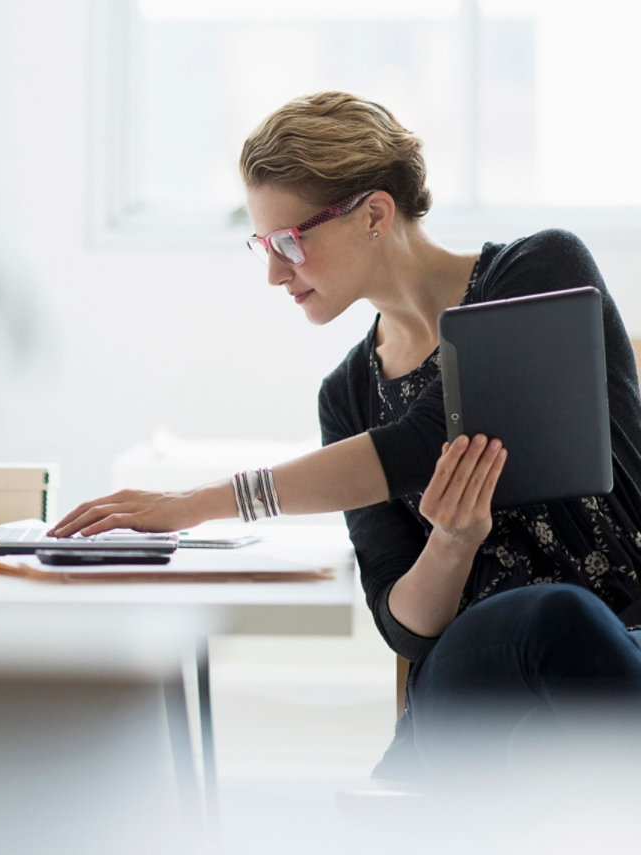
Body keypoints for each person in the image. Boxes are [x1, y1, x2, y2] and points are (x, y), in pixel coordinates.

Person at [48, 91, 641, 781]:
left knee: (577, 626)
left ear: (374, 214)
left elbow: (426, 437)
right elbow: (403, 624)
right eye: (262, 245)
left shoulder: (540, 273)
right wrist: (450, 543)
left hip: (628, 633)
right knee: (555, 615)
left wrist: (198, 501)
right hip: (474, 673)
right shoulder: (348, 395)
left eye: (288, 242)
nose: (273, 272)